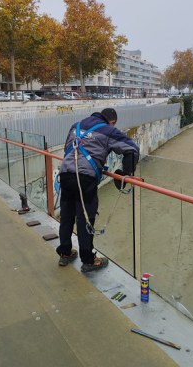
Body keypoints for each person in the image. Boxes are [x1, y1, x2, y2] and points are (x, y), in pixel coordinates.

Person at [56, 108, 140, 272]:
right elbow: (132, 149)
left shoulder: (76, 126)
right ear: (112, 122)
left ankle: (65, 253)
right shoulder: (108, 130)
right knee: (85, 219)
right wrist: (125, 174)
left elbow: (68, 148)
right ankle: (88, 261)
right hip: (86, 179)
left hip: (65, 174)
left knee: (66, 215)